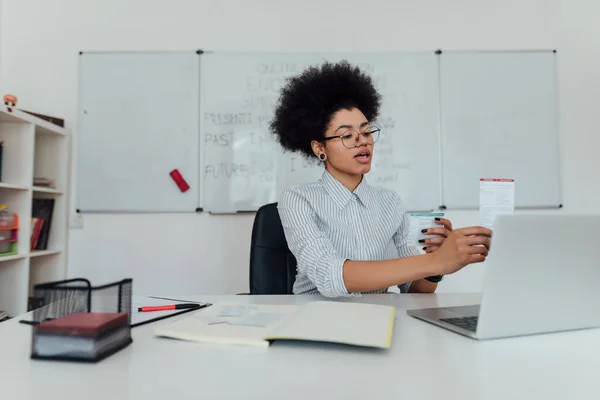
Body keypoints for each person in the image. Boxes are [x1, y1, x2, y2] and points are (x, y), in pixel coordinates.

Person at [269, 60, 492, 298]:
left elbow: (413, 290)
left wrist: (433, 263)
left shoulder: (390, 202)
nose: (362, 140)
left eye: (366, 132)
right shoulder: (298, 198)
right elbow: (329, 276)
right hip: (319, 318)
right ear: (318, 147)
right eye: (347, 135)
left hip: (380, 318)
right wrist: (437, 262)